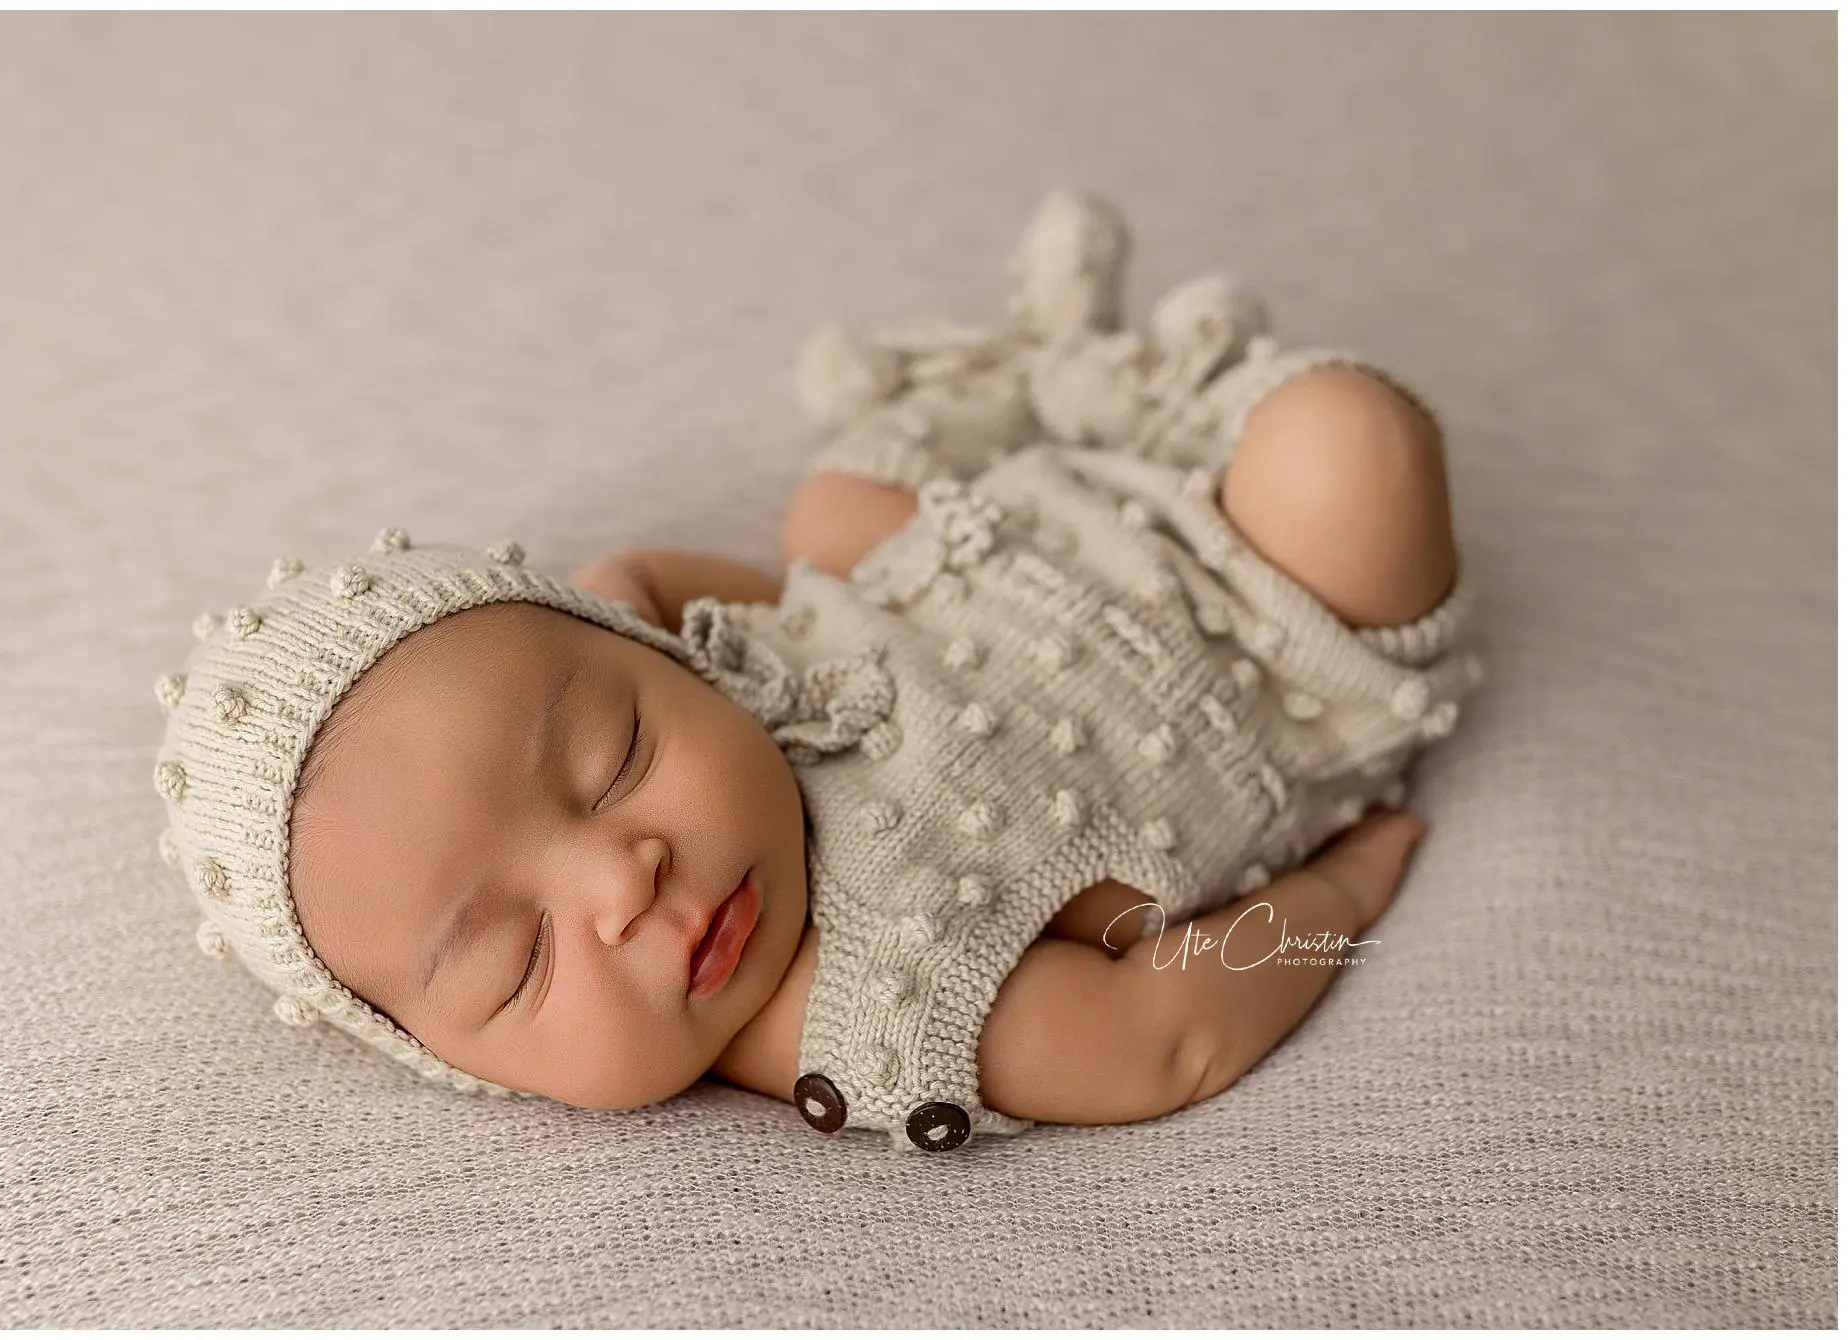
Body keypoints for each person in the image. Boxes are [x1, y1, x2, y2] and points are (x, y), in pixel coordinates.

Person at [151, 191, 1484, 1153]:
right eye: (519, 962)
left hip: (1004, 544)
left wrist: (635, 625)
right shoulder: (899, 1003)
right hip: (1267, 641)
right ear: (457, 1067)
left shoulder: (711, 675)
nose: (623, 881)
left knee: (831, 515)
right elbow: (1166, 1037)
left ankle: (1064, 387)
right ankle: (1148, 403)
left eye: (614, 757)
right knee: (1345, 438)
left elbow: (645, 582)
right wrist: (1347, 882)